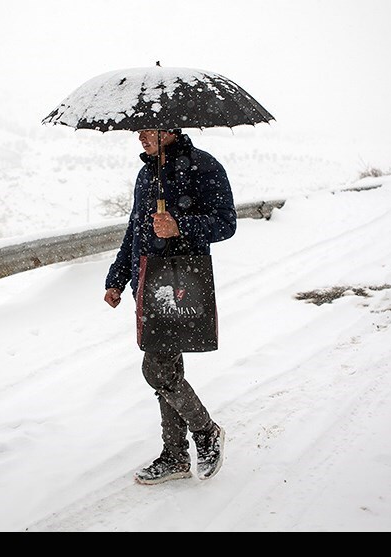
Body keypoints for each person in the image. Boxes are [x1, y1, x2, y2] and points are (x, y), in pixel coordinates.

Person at [104, 128, 236, 484]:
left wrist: (181, 225)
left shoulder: (204, 167)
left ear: (171, 129)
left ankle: (206, 431)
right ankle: (175, 456)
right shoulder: (146, 174)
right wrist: (117, 278)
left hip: (181, 284)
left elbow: (226, 223)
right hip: (145, 283)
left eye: (148, 130)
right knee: (168, 369)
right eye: (138, 130)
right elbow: (135, 230)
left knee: (158, 370)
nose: (140, 136)